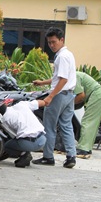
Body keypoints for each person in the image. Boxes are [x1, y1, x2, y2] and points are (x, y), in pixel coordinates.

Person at [32, 27, 77, 168]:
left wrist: (50, 97)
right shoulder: (68, 54)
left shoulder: (61, 57)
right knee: (67, 126)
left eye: (54, 42)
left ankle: (48, 157)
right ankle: (71, 157)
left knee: (49, 127)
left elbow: (62, 80)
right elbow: (60, 78)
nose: (51, 45)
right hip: (69, 95)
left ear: (61, 40)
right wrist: (43, 82)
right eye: (49, 42)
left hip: (59, 96)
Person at [0, 99, 47, 168]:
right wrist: (46, 101)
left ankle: (24, 154)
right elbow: (41, 103)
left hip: (30, 142)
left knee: (7, 146)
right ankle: (25, 154)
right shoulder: (22, 104)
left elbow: (11, 133)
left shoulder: (6, 118)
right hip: (42, 139)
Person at [74, 71, 101, 159]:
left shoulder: (75, 76)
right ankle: (87, 148)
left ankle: (83, 149)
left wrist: (69, 104)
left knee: (88, 121)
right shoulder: (75, 74)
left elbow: (81, 96)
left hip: (96, 94)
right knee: (93, 123)